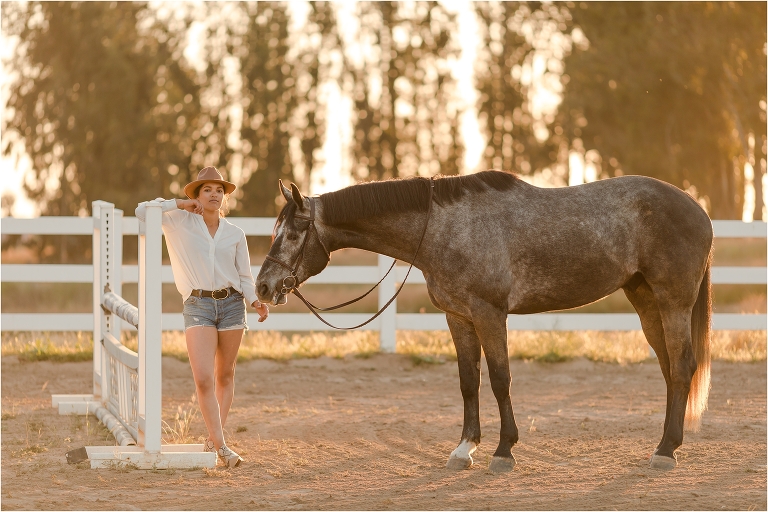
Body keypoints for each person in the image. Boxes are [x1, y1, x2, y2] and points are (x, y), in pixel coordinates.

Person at [135, 166, 269, 468]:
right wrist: (179, 204)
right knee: (203, 378)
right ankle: (222, 447)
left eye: (219, 190)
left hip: (233, 305)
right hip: (198, 305)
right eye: (207, 189)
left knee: (225, 375)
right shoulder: (178, 221)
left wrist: (256, 300)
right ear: (196, 194)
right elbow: (141, 211)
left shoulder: (235, 234)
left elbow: (245, 276)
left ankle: (213, 439)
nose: (214, 194)